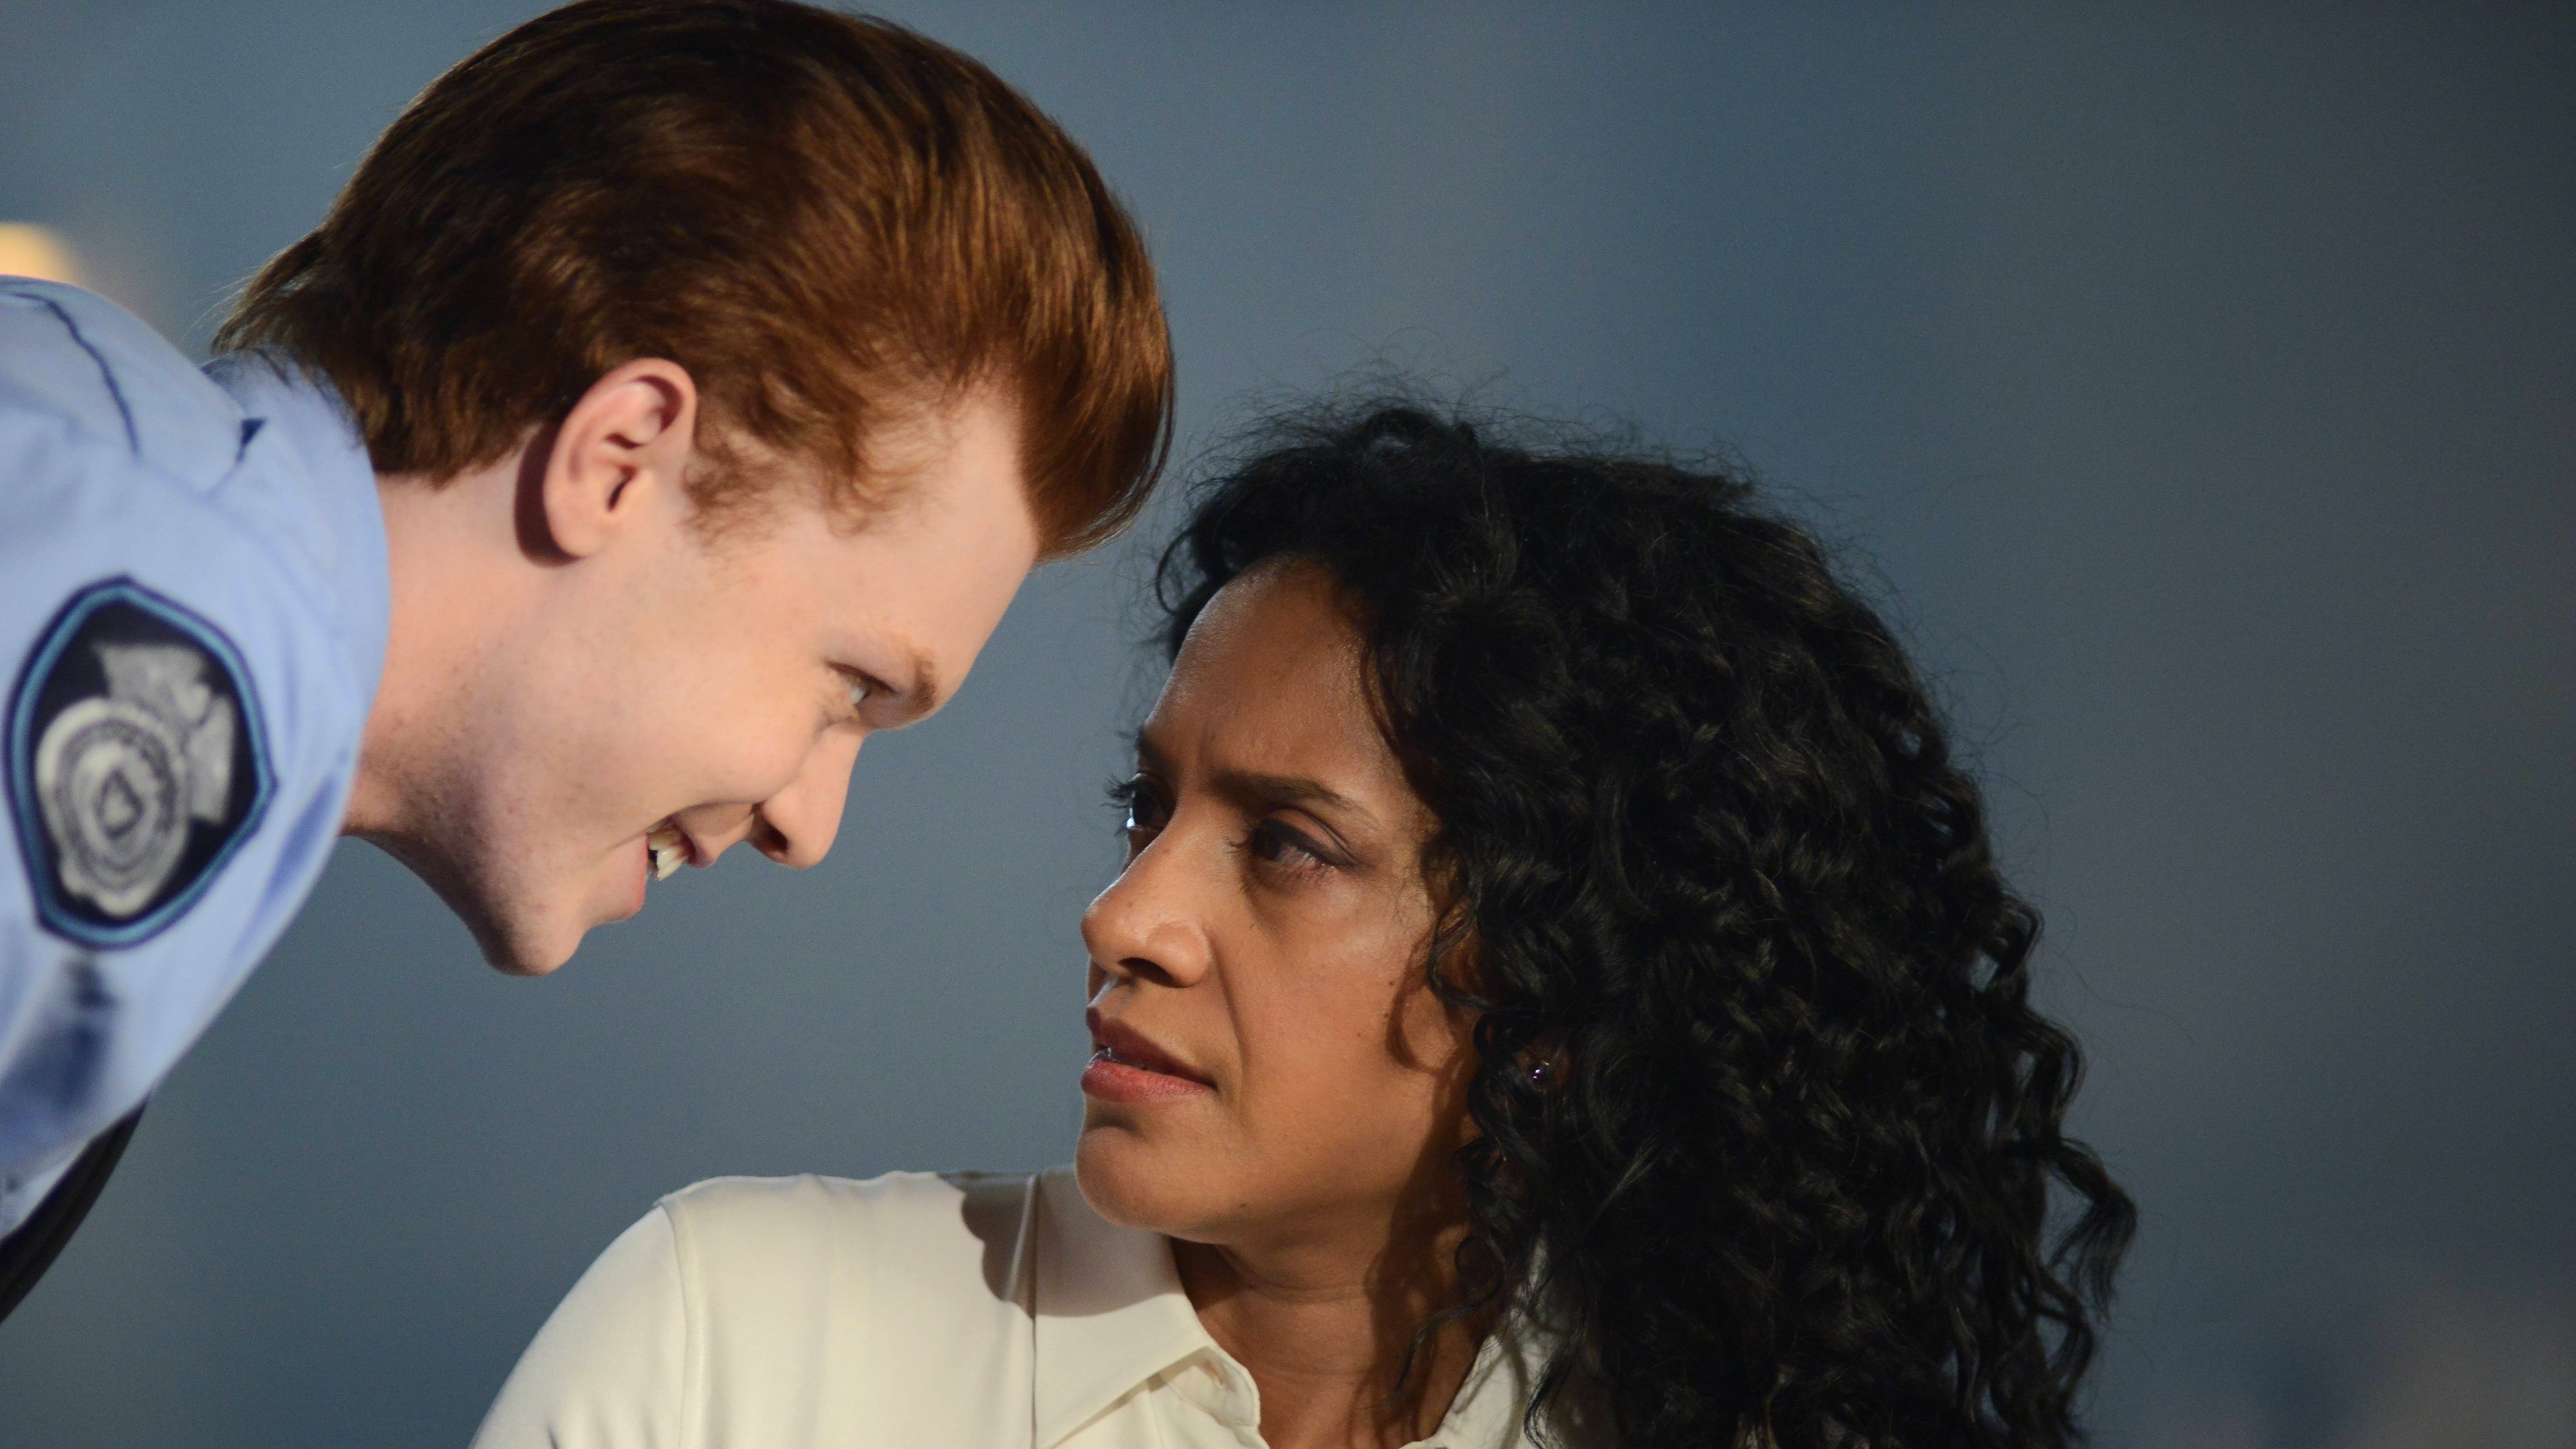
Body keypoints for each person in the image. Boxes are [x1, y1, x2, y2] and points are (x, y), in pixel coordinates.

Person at [470, 402, 2137, 1449]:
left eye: (1285, 847)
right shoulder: (732, 1350)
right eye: (1150, 811)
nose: (1126, 916)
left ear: (1561, 990)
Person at [0, 0, 1171, 1321]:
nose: (808, 826)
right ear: (620, 463)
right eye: (851, 687)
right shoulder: (157, 650)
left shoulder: (91, 439)